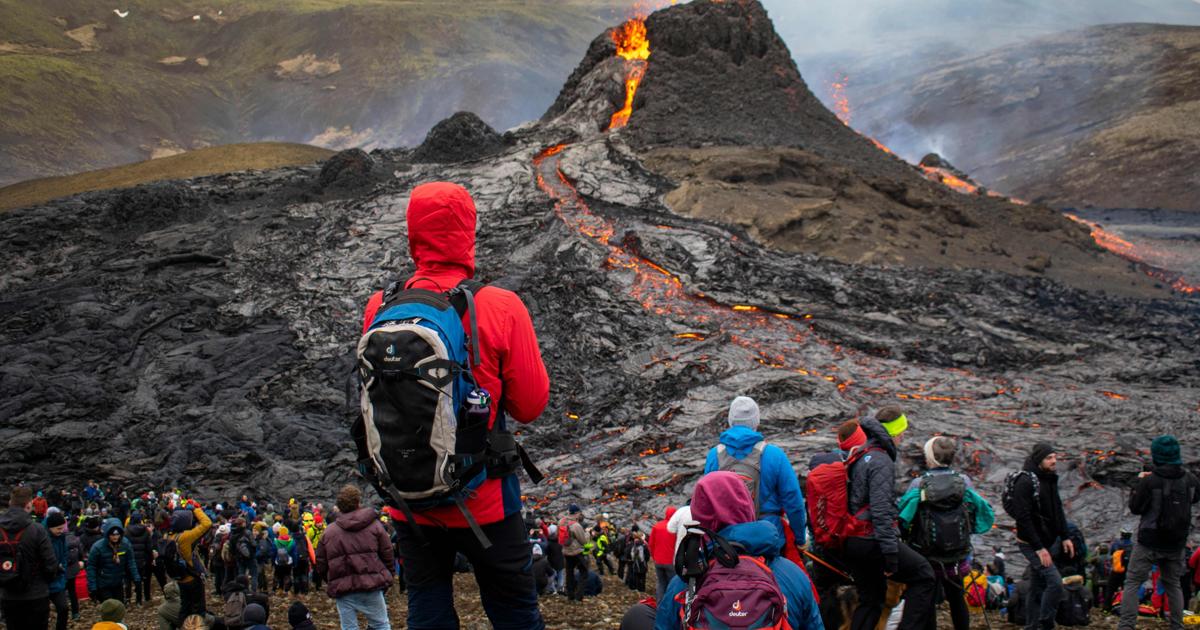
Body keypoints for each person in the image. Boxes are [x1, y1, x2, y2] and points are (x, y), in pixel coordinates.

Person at [365, 182, 551, 629]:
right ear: (469, 232)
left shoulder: (381, 306)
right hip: (486, 499)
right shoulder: (498, 305)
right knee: (514, 613)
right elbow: (530, 405)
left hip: (409, 498)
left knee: (427, 605)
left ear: (413, 235)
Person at [651, 471, 823, 630]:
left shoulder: (684, 582)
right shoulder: (793, 574)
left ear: (699, 519)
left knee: (639, 614)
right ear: (748, 507)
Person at [841, 409, 936, 630]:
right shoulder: (881, 460)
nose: (903, 436)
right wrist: (891, 552)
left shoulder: (861, 453)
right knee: (924, 575)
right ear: (893, 432)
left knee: (871, 598)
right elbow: (881, 510)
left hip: (854, 537)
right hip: (871, 539)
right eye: (901, 431)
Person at [897, 436, 995, 630]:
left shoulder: (919, 484)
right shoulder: (963, 481)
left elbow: (904, 513)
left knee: (928, 601)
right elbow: (974, 512)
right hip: (957, 555)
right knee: (957, 600)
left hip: (927, 555)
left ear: (930, 458)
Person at [703, 396, 808, 554]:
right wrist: (800, 539)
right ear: (756, 422)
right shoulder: (774, 454)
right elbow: (793, 502)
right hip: (769, 541)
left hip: (728, 542)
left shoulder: (714, 455)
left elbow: (706, 503)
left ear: (730, 421)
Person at [1117, 435, 1200, 630]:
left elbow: (1136, 508)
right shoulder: (1190, 479)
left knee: (1133, 582)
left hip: (1149, 541)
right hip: (1176, 543)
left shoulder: (1150, 481)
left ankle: (1126, 626)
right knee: (1173, 584)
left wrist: (1138, 484)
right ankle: (1177, 626)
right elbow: (1195, 499)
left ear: (1156, 455)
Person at [1007, 442, 1074, 630]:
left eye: (1054, 457)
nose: (1054, 461)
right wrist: (1039, 548)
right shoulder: (1025, 482)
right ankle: (1046, 623)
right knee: (1055, 583)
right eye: (1049, 458)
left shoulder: (1050, 477)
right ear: (1038, 460)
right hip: (1030, 543)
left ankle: (1031, 625)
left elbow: (1057, 508)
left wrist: (1065, 535)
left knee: (1037, 588)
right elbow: (1023, 518)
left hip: (1049, 540)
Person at [315, 485, 394, 630]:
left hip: (344, 589)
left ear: (339, 506)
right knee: (381, 624)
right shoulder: (375, 526)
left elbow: (320, 562)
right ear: (358, 502)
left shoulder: (329, 532)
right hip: (371, 585)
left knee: (349, 627)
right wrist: (387, 576)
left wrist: (333, 580)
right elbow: (387, 553)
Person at [166, 504, 213, 619]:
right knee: (198, 610)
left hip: (181, 578)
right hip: (192, 579)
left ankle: (183, 625)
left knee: (185, 607)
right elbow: (207, 523)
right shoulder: (185, 537)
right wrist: (196, 510)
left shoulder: (171, 536)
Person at [87, 518, 140, 605]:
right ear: (107, 534)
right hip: (103, 584)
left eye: (117, 534)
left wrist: (136, 579)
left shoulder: (125, 544)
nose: (115, 537)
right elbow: (91, 567)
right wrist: (92, 587)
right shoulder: (97, 547)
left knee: (119, 608)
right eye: (112, 534)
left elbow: (131, 562)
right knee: (110, 609)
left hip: (118, 582)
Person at [46, 511, 74, 630]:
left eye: (62, 528)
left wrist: (63, 566)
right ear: (50, 527)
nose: (61, 531)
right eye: (58, 528)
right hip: (45, 581)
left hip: (58, 580)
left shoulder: (61, 537)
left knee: (63, 608)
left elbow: (64, 554)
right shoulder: (44, 538)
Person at [562, 504, 592, 602]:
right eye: (579, 513)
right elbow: (583, 541)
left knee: (569, 573)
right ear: (576, 513)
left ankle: (570, 595)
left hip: (566, 551)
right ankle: (579, 596)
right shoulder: (576, 525)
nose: (580, 515)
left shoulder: (561, 522)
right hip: (576, 552)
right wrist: (587, 533)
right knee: (584, 572)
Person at [126, 512, 155, 605]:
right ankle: (139, 600)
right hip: (142, 559)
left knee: (128, 579)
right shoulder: (145, 530)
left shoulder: (126, 530)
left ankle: (128, 598)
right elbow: (149, 547)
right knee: (139, 579)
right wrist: (151, 559)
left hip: (129, 559)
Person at [647, 506, 676, 601]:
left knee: (661, 584)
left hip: (658, 561)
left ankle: (660, 605)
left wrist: (654, 557)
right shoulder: (675, 528)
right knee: (672, 585)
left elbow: (651, 544)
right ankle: (669, 606)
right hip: (671, 561)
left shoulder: (657, 526)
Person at [1108, 528, 1134, 611]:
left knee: (1111, 589)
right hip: (1128, 570)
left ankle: (1107, 608)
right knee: (1127, 589)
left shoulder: (1116, 543)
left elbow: (1111, 554)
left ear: (1121, 534)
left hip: (1116, 569)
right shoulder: (1133, 545)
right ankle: (1126, 608)